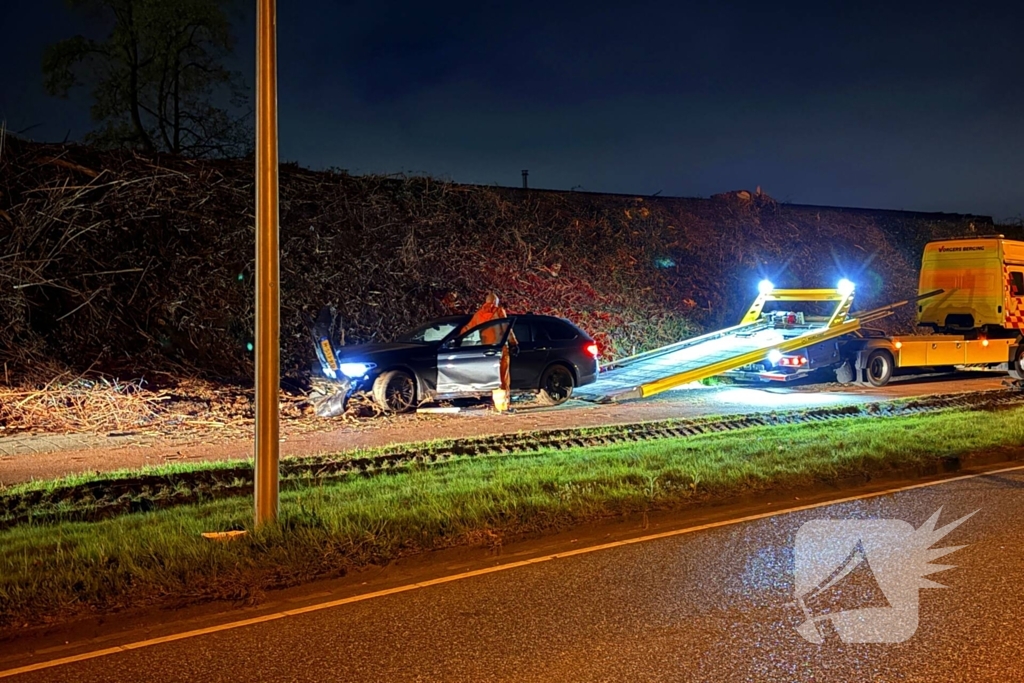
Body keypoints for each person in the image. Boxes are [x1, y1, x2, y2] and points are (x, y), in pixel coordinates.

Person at [461, 292, 518, 411]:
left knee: (493, 378)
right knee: (503, 378)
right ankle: (503, 406)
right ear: (495, 302)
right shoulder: (498, 311)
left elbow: (468, 328)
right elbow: (506, 329)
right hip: (500, 348)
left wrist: (456, 339)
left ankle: (497, 404)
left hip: (485, 351)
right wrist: (514, 343)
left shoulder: (479, 314)